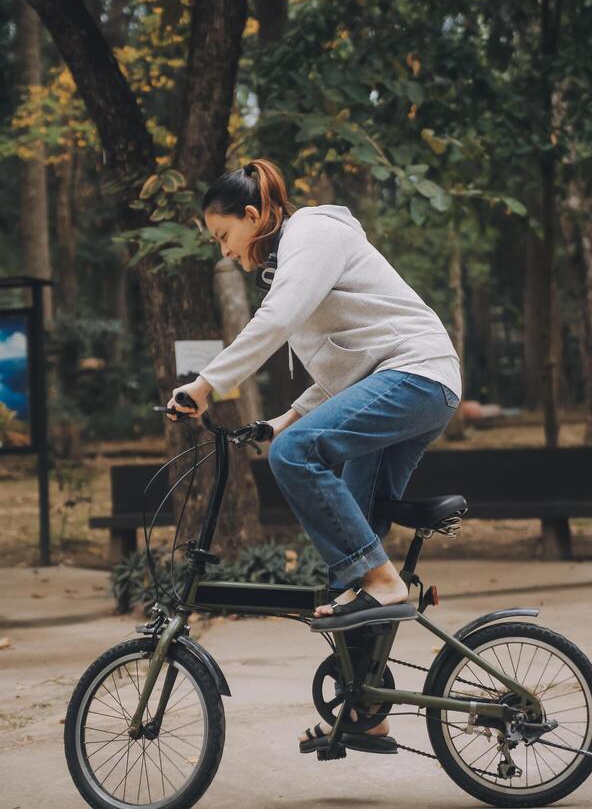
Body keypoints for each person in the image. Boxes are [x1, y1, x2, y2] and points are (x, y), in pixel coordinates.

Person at [166, 157, 461, 749]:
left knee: (299, 462)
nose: (224, 252)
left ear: (253, 216)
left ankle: (382, 581)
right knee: (347, 577)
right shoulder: (292, 265)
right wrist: (284, 419)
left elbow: (274, 322)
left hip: (416, 375)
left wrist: (206, 383)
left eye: (224, 236)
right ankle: (365, 711)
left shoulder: (313, 234)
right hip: (403, 382)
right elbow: (343, 370)